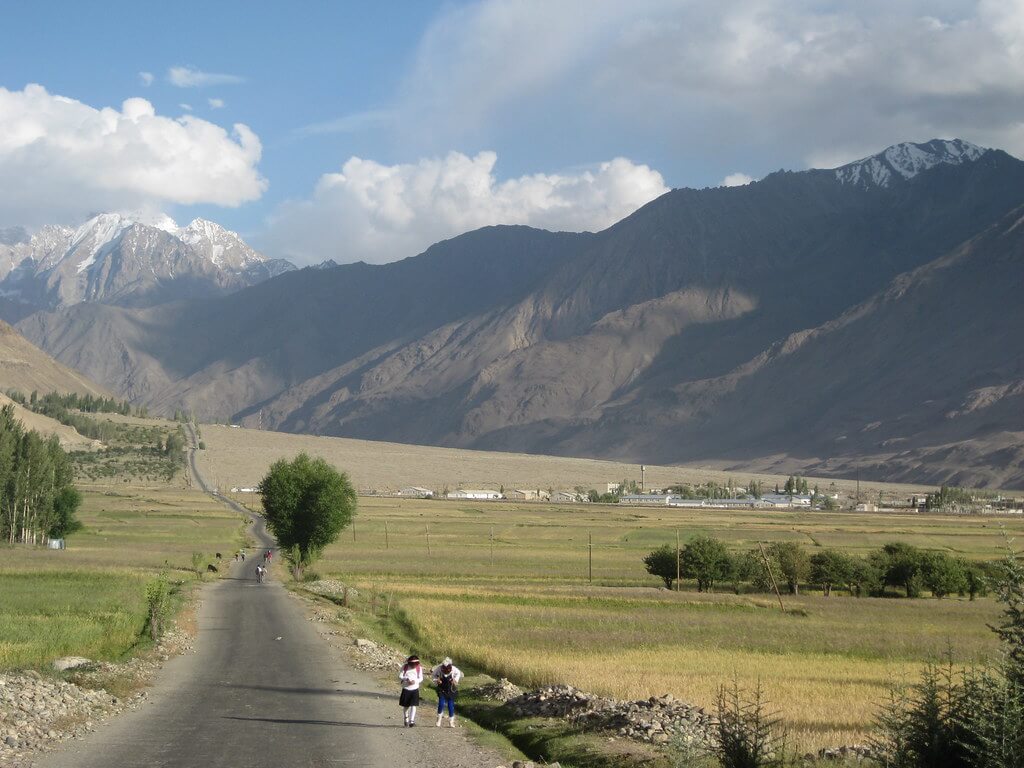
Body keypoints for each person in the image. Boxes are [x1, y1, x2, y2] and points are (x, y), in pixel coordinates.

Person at [431, 657, 463, 727]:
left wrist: (455, 680)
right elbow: (433, 675)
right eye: (444, 669)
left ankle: (451, 722)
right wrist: (436, 680)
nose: (446, 671)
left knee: (450, 705)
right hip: (442, 688)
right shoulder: (439, 669)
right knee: (441, 703)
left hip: (451, 689)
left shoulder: (454, 669)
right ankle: (438, 720)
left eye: (447, 669)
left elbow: (458, 674)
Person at [399, 655, 423, 727]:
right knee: (406, 706)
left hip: (415, 689)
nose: (414, 666)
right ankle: (406, 718)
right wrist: (406, 679)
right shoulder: (405, 667)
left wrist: (415, 681)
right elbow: (400, 676)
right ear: (409, 663)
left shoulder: (419, 668)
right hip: (406, 689)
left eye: (416, 664)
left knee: (414, 705)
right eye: (412, 664)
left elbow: (421, 678)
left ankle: (411, 721)